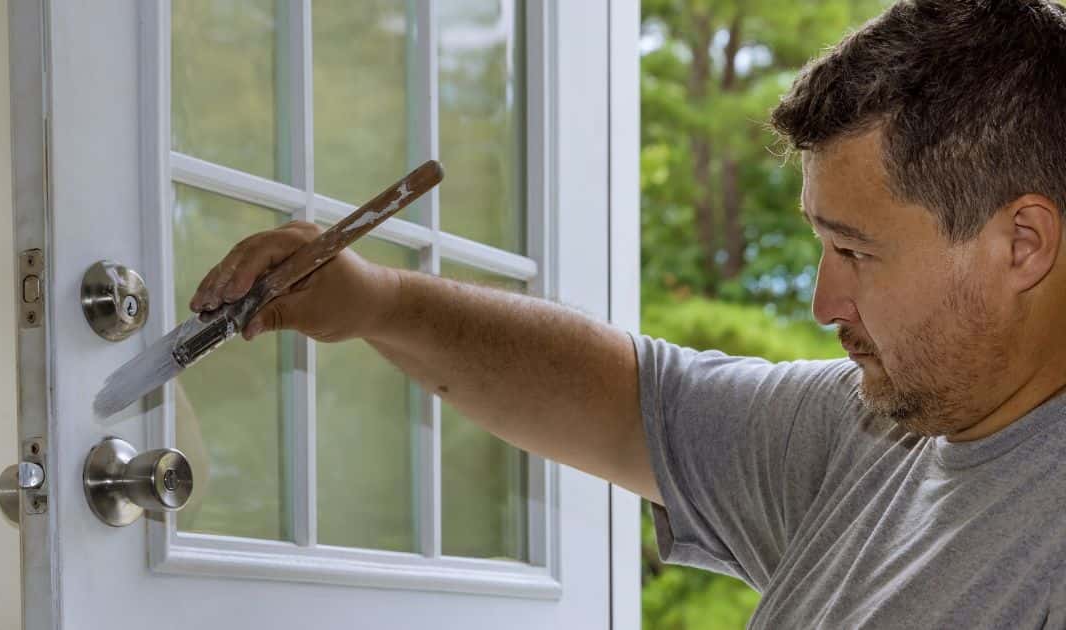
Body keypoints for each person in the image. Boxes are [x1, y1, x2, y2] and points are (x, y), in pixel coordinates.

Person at [188, 0, 1066, 626]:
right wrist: (374, 301)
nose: (823, 301)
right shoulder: (877, 431)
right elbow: (623, 396)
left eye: (858, 252)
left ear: (1023, 243)